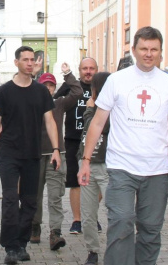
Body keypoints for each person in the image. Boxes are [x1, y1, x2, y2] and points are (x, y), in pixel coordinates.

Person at [79, 26, 168, 265]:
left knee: (151, 228)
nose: (149, 53)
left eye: (154, 49)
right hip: (121, 167)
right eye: (144, 49)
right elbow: (97, 122)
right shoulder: (117, 81)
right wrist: (85, 161)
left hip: (157, 169)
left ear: (160, 51)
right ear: (134, 50)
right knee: (122, 221)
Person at [0, 46, 61, 265]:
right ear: (16, 62)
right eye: (25, 59)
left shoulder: (40, 92)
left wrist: (56, 149)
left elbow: (50, 121)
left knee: (29, 201)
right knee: (9, 199)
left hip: (32, 154)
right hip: (9, 152)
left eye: (32, 59)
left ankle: (21, 243)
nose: (29, 62)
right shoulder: (5, 91)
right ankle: (10, 246)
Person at [31, 66, 82, 250]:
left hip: (56, 155)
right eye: (44, 85)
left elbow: (77, 92)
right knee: (34, 196)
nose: (48, 88)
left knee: (55, 196)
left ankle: (55, 233)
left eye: (51, 85)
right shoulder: (31, 103)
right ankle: (34, 227)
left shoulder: (59, 103)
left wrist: (68, 75)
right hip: (36, 156)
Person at [57, 56, 97, 234]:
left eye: (91, 68)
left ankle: (91, 217)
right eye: (85, 69)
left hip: (97, 141)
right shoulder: (71, 86)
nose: (88, 72)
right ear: (79, 70)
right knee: (75, 182)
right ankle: (77, 220)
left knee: (97, 181)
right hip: (73, 139)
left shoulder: (102, 86)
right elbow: (54, 103)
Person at [78, 71, 111, 265]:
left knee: (115, 212)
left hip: (107, 166)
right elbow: (85, 137)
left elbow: (94, 128)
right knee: (88, 214)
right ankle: (93, 251)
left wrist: (90, 110)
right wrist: (81, 162)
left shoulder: (108, 109)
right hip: (88, 166)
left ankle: (117, 249)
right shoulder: (94, 106)